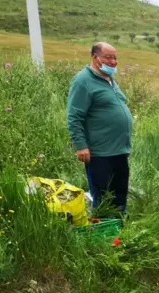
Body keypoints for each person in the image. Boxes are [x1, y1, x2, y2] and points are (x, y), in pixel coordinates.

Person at [66, 42, 134, 215]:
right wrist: (81, 146)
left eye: (115, 57)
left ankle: (120, 230)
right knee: (103, 197)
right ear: (96, 58)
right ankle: (104, 232)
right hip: (99, 152)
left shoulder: (110, 80)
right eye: (108, 57)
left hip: (119, 150)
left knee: (120, 195)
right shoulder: (83, 81)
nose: (113, 62)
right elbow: (74, 116)